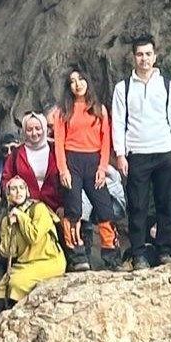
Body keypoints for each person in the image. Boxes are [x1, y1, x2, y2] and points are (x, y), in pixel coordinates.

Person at [110, 36, 171, 269]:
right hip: (138, 152)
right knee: (138, 205)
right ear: (133, 57)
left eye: (148, 54)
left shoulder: (167, 85)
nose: (144, 59)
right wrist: (120, 154)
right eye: (140, 54)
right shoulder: (123, 87)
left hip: (164, 149)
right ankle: (138, 253)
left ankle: (165, 249)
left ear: (155, 56)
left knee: (166, 203)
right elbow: (118, 122)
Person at [52, 69, 120, 271]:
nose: (77, 84)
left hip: (94, 161)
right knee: (73, 210)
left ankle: (111, 258)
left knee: (105, 209)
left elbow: (105, 141)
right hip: (72, 160)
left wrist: (102, 168)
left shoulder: (99, 109)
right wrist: (63, 169)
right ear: (68, 87)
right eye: (72, 81)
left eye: (81, 79)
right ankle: (78, 257)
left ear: (88, 81)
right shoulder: (63, 111)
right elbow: (59, 143)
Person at [0, 177, 67, 326]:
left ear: (27, 191)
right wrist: (10, 226)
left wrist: (21, 217)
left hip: (48, 260)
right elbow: (8, 252)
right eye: (13, 189)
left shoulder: (39, 209)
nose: (18, 192)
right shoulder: (8, 219)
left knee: (16, 283)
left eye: (21, 188)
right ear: (8, 195)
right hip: (25, 264)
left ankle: (15, 325)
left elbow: (34, 237)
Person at [2, 111, 64, 214]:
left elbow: (68, 178)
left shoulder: (57, 151)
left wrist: (63, 205)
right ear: (24, 131)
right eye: (29, 130)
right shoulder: (16, 154)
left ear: (44, 129)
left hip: (55, 209)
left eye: (38, 129)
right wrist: (13, 199)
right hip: (25, 210)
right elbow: (6, 179)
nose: (34, 133)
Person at [0, 131, 21, 205]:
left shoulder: (27, 162)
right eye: (5, 150)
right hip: (5, 204)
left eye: (13, 148)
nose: (9, 153)